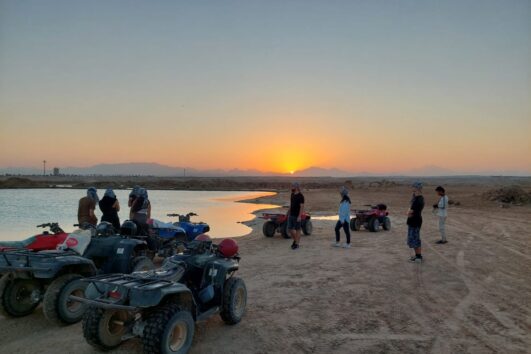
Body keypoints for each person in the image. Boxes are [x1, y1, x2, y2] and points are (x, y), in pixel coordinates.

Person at [407, 181, 425, 262]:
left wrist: (408, 213)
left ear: (418, 188)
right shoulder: (418, 198)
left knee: (415, 239)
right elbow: (410, 211)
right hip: (414, 220)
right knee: (414, 238)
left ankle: (419, 257)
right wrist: (409, 212)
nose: (412, 188)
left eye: (414, 187)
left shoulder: (418, 199)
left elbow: (410, 212)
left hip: (415, 221)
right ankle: (417, 255)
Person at [287, 182, 305, 250]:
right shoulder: (292, 194)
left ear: (296, 187)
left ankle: (297, 244)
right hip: (291, 215)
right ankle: (296, 240)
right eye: (292, 186)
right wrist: (288, 211)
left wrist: (299, 216)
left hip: (297, 216)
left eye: (293, 186)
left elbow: (302, 207)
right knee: (290, 229)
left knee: (298, 229)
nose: (292, 187)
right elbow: (291, 204)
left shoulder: (301, 196)